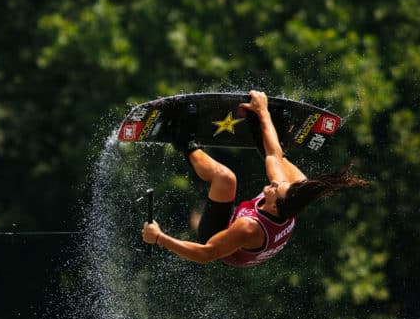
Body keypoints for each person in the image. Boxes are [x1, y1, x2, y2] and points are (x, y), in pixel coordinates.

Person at [140, 90, 368, 267]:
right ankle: (265, 131)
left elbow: (205, 254)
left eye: (275, 189)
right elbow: (272, 155)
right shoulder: (288, 192)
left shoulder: (248, 228)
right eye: (278, 184)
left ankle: (184, 141)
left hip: (221, 241)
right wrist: (263, 111)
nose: (273, 184)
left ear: (275, 206)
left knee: (225, 178)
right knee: (281, 162)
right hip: (249, 224)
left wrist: (159, 237)